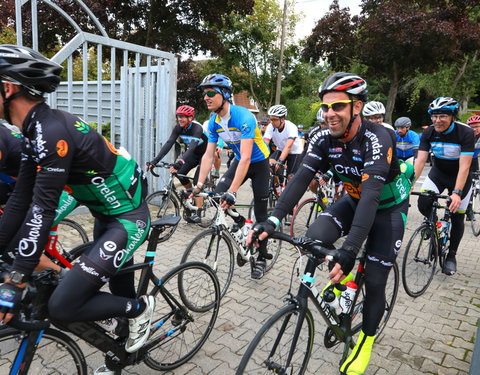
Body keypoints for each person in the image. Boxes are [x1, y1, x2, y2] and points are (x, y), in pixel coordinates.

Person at [248, 72, 413, 375]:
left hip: (387, 208)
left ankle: (365, 341)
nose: (329, 114)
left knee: (376, 282)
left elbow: (372, 196)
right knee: (313, 238)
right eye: (325, 107)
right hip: (353, 201)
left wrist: (350, 249)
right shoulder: (323, 138)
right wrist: (270, 220)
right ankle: (340, 288)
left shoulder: (378, 137)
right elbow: (300, 181)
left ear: (357, 107)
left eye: (337, 106)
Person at [0, 45, 153, 361]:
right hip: (103, 215)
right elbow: (19, 201)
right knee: (118, 287)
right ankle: (122, 345)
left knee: (63, 305)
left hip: (128, 217)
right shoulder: (33, 132)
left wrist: (16, 278)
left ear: (7, 87)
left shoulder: (52, 131)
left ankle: (142, 308)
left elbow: (42, 210)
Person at [192, 73, 270, 279]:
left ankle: (260, 257)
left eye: (210, 93)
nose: (205, 97)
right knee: (218, 198)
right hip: (240, 162)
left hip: (259, 163)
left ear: (225, 95)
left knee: (261, 215)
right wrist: (198, 186)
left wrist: (233, 192)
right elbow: (208, 155)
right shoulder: (213, 121)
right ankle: (241, 221)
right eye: (204, 94)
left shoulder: (243, 116)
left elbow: (246, 157)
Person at [413, 97, 474, 276]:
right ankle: (433, 225)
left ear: (453, 117)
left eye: (442, 116)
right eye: (434, 116)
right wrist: (410, 184)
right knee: (423, 201)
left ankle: (451, 256)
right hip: (438, 174)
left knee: (457, 217)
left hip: (460, 178)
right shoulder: (428, 133)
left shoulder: (465, 133)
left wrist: (456, 193)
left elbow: (465, 166)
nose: (437, 120)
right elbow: (420, 161)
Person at [147, 105, 207, 223]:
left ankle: (199, 212)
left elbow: (191, 147)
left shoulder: (197, 128)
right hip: (193, 154)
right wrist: (155, 161)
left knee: (197, 181)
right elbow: (169, 144)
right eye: (179, 116)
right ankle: (191, 196)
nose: (180, 119)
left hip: (205, 155)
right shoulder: (178, 127)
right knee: (180, 174)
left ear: (190, 118)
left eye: (183, 117)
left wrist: (180, 162)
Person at [264, 104, 304, 180]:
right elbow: (265, 143)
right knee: (270, 165)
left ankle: (290, 190)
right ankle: (277, 188)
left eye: (274, 119)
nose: (272, 122)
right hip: (281, 149)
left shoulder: (291, 127)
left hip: (295, 152)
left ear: (282, 119)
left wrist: (280, 161)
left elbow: (288, 146)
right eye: (271, 119)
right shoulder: (270, 127)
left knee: (290, 177)